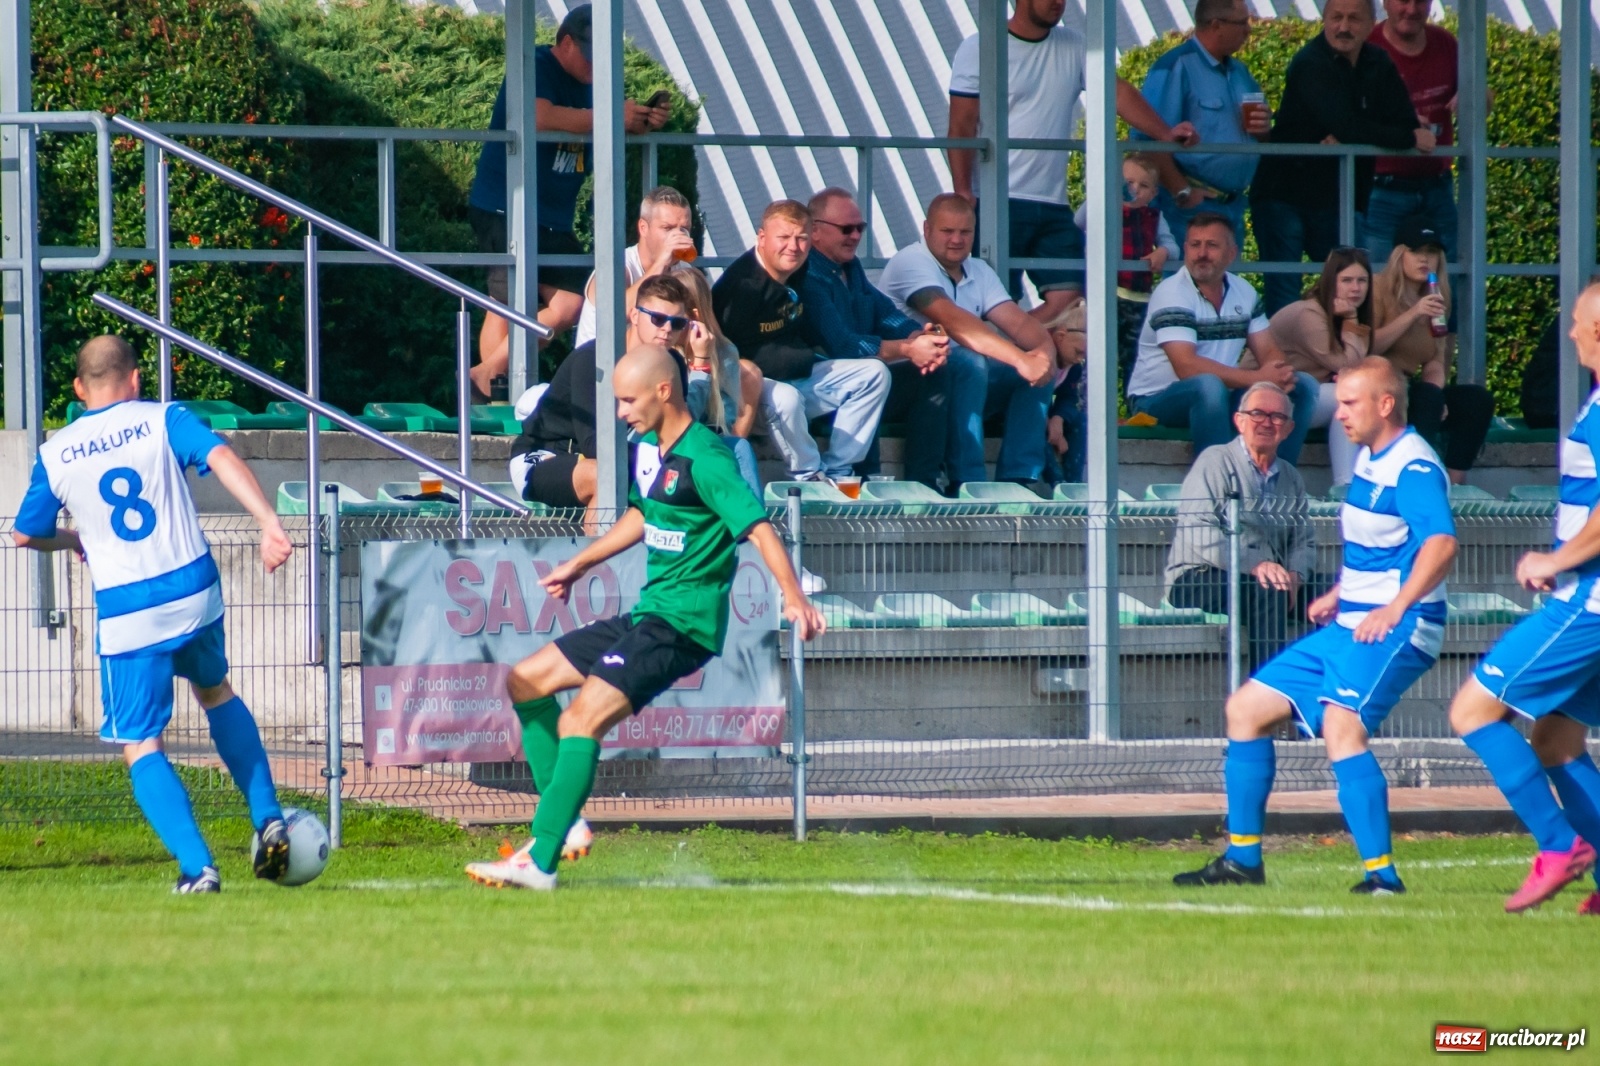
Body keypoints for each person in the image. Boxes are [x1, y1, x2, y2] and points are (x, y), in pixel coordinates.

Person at [465, 344, 827, 890]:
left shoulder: (706, 457)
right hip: (648, 615)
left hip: (682, 627)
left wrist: (793, 596)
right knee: (526, 681)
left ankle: (539, 860)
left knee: (579, 720)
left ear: (664, 391)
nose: (620, 412)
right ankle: (565, 821)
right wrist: (580, 563)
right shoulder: (651, 450)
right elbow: (641, 515)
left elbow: (757, 528)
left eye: (628, 400)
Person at [11, 336, 295, 893]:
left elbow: (25, 533)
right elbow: (221, 456)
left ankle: (198, 867)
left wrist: (73, 540)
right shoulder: (163, 418)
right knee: (216, 692)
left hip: (129, 610)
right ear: (136, 379)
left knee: (141, 742)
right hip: (192, 588)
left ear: (78, 388)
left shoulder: (55, 451)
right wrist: (269, 523)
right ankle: (268, 817)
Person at [1175, 358, 1457, 894]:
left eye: (1350, 403)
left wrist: (1396, 607)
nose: (1340, 413)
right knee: (1246, 710)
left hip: (1401, 626)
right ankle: (1242, 861)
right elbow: (1378, 549)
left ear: (1385, 404)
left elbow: (1441, 544)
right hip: (1351, 621)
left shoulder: (1414, 467)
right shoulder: (1371, 458)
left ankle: (1382, 877)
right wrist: (1339, 594)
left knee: (1341, 725)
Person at [1445, 283, 1600, 915]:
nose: (1571, 332)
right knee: (1557, 742)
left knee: (1472, 712)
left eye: (1579, 322)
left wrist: (1556, 561)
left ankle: (1559, 847)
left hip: (1590, 604)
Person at [946, 0, 1197, 324]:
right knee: (993, 298)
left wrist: (1165, 133)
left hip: (1052, 202)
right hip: (997, 198)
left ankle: (1012, 341)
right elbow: (962, 124)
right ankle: (1005, 345)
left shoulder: (1074, 44)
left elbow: (1116, 92)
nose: (1058, 3)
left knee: (1072, 294)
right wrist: (963, 192)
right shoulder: (980, 47)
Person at [466, 4, 671, 396]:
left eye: (601, 56)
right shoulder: (536, 66)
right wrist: (611, 116)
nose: (595, 65)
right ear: (565, 43)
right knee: (510, 301)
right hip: (505, 206)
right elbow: (538, 116)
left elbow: (601, 125)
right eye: (588, 55)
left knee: (569, 303)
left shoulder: (596, 84)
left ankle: (485, 376)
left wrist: (639, 123)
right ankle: (495, 390)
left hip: (552, 219)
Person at [1249, 0, 1432, 316]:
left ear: (1371, 23)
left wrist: (1356, 132)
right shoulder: (1309, 62)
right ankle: (1284, 350)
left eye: (1353, 19)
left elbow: (1402, 120)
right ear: (1324, 19)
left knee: (1350, 291)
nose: (1343, 27)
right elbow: (1354, 126)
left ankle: (1342, 350)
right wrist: (1387, 135)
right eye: (1336, 17)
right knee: (1284, 294)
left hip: (1341, 197)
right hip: (1284, 195)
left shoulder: (1378, 61)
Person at [878, 193, 1055, 491]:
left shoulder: (979, 269)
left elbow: (1021, 323)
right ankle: (967, 481)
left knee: (1032, 367)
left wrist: (1044, 355)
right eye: (947, 231)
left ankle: (1019, 479)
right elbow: (954, 322)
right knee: (970, 361)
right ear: (927, 229)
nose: (957, 240)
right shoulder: (910, 261)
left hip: (962, 379)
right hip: (910, 380)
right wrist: (1022, 359)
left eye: (965, 232)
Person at [712, 199, 890, 484]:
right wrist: (805, 356)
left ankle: (839, 471)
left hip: (795, 376)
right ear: (762, 238)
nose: (793, 247)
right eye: (783, 237)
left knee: (875, 373)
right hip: (749, 395)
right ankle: (808, 476)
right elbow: (739, 359)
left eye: (801, 238)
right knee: (788, 398)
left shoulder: (799, 268)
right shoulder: (742, 286)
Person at [1125, 212, 1319, 464]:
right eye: (1195, 245)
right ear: (1185, 248)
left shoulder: (1244, 292)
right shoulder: (1171, 293)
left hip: (1220, 397)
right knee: (1208, 387)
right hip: (1154, 401)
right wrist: (1258, 378)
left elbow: (1271, 355)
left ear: (1231, 253)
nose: (1201, 253)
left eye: (1212, 245)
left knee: (1302, 386)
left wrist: (1277, 377)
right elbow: (1187, 367)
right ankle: (1218, 481)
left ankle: (1276, 477)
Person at [509, 274, 702, 521]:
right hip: (544, 455)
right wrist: (665, 459)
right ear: (635, 316)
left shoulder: (672, 364)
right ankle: (600, 545)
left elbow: (679, 429)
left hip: (613, 455)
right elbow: (594, 445)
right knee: (607, 475)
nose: (666, 330)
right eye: (657, 319)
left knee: (729, 451)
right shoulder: (593, 360)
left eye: (677, 323)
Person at [801, 187, 954, 490]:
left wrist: (922, 338)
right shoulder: (807, 276)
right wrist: (909, 349)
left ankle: (925, 485)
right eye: (846, 229)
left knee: (935, 371)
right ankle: (862, 482)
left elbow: (885, 314)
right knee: (871, 374)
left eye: (860, 228)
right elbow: (844, 346)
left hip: (862, 382)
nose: (855, 236)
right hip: (821, 392)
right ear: (814, 231)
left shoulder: (850, 268)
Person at [1165, 382, 1317, 669]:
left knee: (1336, 592)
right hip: (1199, 576)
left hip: (1269, 580)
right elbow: (1199, 530)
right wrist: (1256, 564)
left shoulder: (1290, 476)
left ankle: (1336, 688)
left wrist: (1296, 575)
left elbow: (1303, 541)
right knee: (1270, 590)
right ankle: (1266, 691)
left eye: (1277, 417)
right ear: (1240, 420)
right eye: (1257, 413)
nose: (1267, 423)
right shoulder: (1215, 461)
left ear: (1288, 428)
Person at [1137, 0, 1271, 247]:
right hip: (1189, 208)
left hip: (1232, 206)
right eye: (1242, 22)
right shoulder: (1175, 66)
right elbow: (1148, 140)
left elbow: (1261, 135)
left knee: (1226, 274)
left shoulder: (1240, 71)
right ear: (1216, 25)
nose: (1248, 30)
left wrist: (1263, 130)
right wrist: (1183, 192)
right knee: (1190, 273)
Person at [1370, 217, 1494, 484]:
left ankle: (1454, 483)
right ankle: (1415, 480)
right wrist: (1414, 313)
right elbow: (1370, 346)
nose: (1424, 259)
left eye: (1432, 252)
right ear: (1399, 255)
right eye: (1416, 251)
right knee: (1426, 400)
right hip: (1380, 386)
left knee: (1476, 400)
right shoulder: (1377, 288)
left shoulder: (1439, 296)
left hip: (1413, 389)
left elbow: (1435, 360)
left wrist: (1437, 393)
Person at [1364, 0, 1465, 265]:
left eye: (1420, 1)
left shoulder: (1446, 43)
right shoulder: (1366, 46)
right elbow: (1349, 115)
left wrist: (1476, 96)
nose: (1411, 9)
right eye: (1403, 0)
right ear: (1385, 2)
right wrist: (1402, 124)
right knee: (1379, 279)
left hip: (1437, 187)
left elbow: (1482, 96)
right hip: (1381, 189)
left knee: (1443, 278)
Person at [1074, 155, 1180, 395]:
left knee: (1134, 359)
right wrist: (1103, 196)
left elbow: (1172, 246)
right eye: (1128, 182)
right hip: (1105, 295)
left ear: (1153, 193)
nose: (1135, 190)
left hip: (1139, 300)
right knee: (1099, 356)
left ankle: (1134, 404)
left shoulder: (1154, 217)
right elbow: (1078, 222)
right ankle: (1088, 406)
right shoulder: (1103, 207)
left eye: (1144, 185)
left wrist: (1162, 252)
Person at [1269, 246, 1373, 485]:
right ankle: (1345, 485)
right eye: (1346, 280)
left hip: (1310, 395)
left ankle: (1350, 486)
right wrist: (1351, 320)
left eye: (1362, 280)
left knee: (1354, 400)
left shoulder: (1345, 313)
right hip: (1274, 396)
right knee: (1347, 397)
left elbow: (1357, 367)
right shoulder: (1309, 314)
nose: (1356, 288)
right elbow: (1349, 365)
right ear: (1330, 281)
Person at [574, 185, 697, 348]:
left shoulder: (683, 270)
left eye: (684, 229)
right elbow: (614, 317)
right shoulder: (617, 267)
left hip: (654, 359)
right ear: (643, 228)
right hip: (600, 358)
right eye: (667, 228)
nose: (678, 236)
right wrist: (661, 262)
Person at [1044, 300, 1088, 483]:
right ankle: (1057, 482)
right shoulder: (1042, 358)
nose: (1080, 359)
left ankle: (1074, 483)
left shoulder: (1074, 365)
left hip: (1047, 414)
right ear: (1060, 337)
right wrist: (1049, 424)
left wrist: (1058, 418)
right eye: (1078, 352)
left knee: (1080, 420)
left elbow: (1069, 398)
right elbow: (1028, 402)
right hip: (1024, 414)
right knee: (1037, 428)